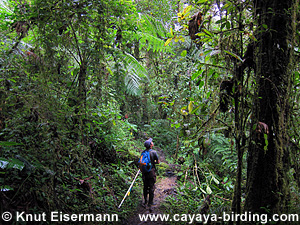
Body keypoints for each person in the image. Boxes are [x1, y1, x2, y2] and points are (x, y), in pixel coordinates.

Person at [140, 138, 160, 207]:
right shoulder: (154, 152)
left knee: (145, 186)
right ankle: (150, 202)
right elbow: (158, 162)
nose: (152, 143)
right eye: (151, 142)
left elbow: (141, 162)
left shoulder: (143, 152)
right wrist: (152, 163)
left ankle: (145, 201)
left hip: (144, 172)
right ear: (151, 145)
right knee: (151, 186)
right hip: (151, 172)